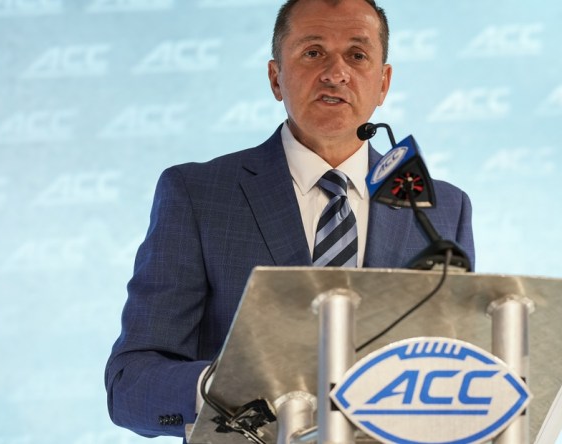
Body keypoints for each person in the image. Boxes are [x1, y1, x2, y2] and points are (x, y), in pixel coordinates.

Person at [104, 0, 475, 438]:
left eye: (357, 55)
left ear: (383, 83)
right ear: (276, 77)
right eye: (313, 52)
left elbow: (459, 369)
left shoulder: (438, 209)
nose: (336, 73)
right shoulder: (199, 195)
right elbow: (131, 384)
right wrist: (225, 387)